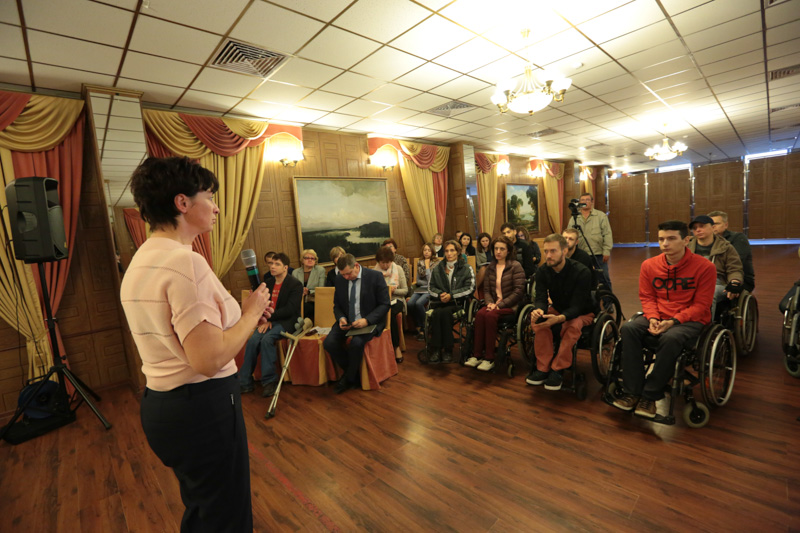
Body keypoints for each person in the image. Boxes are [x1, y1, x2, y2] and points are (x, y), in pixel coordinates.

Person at [120, 156, 269, 532]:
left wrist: (244, 317)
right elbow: (209, 358)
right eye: (210, 197)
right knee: (227, 518)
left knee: (204, 511)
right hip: (203, 407)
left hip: (163, 406)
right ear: (182, 202)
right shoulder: (186, 263)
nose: (216, 207)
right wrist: (251, 314)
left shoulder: (141, 260)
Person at [612, 220, 716, 418]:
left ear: (686, 240)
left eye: (671, 238)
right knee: (628, 328)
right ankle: (632, 391)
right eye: (661, 239)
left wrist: (674, 321)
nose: (665, 243)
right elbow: (647, 297)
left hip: (690, 319)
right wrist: (652, 318)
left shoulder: (705, 267)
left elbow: (701, 305)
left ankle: (650, 395)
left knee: (671, 337)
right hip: (659, 315)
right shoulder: (649, 265)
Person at [525, 234, 594, 391]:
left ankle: (558, 369)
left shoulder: (581, 272)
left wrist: (559, 319)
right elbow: (541, 297)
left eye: (553, 251)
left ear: (564, 251)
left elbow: (577, 306)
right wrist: (539, 310)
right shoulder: (542, 271)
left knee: (572, 326)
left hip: (583, 312)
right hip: (558, 308)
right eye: (546, 251)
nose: (548, 255)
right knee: (539, 322)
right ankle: (543, 368)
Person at [323, 253, 390, 394]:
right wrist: (341, 318)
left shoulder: (375, 277)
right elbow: (337, 305)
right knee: (329, 343)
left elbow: (385, 304)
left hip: (369, 321)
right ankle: (353, 374)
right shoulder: (340, 279)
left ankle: (348, 379)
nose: (346, 277)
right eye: (343, 274)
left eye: (348, 273)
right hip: (348, 321)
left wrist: (367, 320)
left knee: (356, 343)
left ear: (357, 266)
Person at [240, 253, 302, 397]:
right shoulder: (267, 282)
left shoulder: (295, 284)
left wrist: (269, 318)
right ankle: (245, 382)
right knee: (253, 340)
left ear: (285, 268)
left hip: (287, 321)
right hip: (269, 320)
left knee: (267, 340)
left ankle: (269, 382)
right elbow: (262, 304)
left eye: (277, 264)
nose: (272, 267)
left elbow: (290, 310)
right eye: (271, 263)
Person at [464, 236, 526, 371]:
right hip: (493, 304)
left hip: (510, 306)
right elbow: (486, 290)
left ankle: (489, 358)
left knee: (490, 316)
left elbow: (518, 292)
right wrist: (490, 303)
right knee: (480, 314)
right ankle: (477, 355)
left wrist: (500, 305)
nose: (498, 251)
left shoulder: (515, 266)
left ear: (508, 251)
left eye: (502, 249)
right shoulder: (491, 267)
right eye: (496, 248)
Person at [427, 240, 475, 363]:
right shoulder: (437, 268)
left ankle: (447, 349)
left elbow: (470, 288)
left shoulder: (466, 268)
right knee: (437, 314)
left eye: (452, 250)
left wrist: (451, 295)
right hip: (440, 302)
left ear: (458, 252)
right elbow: (431, 287)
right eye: (447, 251)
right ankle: (437, 349)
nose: (449, 253)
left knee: (444, 313)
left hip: (458, 303)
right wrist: (440, 295)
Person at [687, 215, 743, 319]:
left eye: (702, 226)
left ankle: (705, 324)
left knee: (708, 294)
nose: (698, 230)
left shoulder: (726, 247)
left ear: (713, 228)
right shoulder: (686, 247)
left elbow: (734, 268)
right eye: (694, 228)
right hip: (691, 281)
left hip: (717, 282)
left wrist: (734, 282)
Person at [567, 192, 613, 290]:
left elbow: (607, 234)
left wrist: (606, 251)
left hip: (598, 253)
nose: (585, 202)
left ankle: (608, 298)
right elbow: (569, 234)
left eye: (587, 200)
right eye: (582, 200)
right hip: (581, 253)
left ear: (592, 202)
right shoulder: (574, 218)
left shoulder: (600, 216)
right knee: (582, 278)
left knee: (603, 278)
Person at [373, 245, 408, 362]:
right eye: (382, 263)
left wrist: (393, 291)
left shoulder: (398, 269)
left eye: (387, 262)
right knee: (378, 312)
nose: (385, 265)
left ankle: (396, 347)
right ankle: (381, 347)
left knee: (389, 313)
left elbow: (405, 291)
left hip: (396, 299)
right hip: (382, 302)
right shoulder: (374, 272)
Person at [709, 210, 755, 292]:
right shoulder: (707, 241)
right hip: (714, 278)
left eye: (716, 224)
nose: (713, 227)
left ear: (726, 225)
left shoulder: (738, 238)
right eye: (710, 224)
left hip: (738, 280)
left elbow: (736, 262)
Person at [408, 243, 439, 340]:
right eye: (425, 250)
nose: (426, 252)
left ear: (432, 252)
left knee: (419, 303)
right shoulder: (419, 262)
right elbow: (418, 280)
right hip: (421, 288)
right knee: (410, 303)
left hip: (432, 289)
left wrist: (427, 266)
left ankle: (424, 326)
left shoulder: (436, 263)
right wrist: (425, 282)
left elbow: (431, 281)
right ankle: (419, 324)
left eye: (429, 250)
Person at [293, 248, 325, 319]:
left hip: (314, 300)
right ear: (302, 260)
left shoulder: (320, 270)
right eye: (307, 258)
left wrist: (309, 291)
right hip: (299, 300)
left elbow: (321, 289)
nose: (310, 260)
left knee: (304, 308)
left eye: (312, 258)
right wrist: (300, 291)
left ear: (315, 260)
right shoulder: (295, 272)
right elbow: (293, 290)